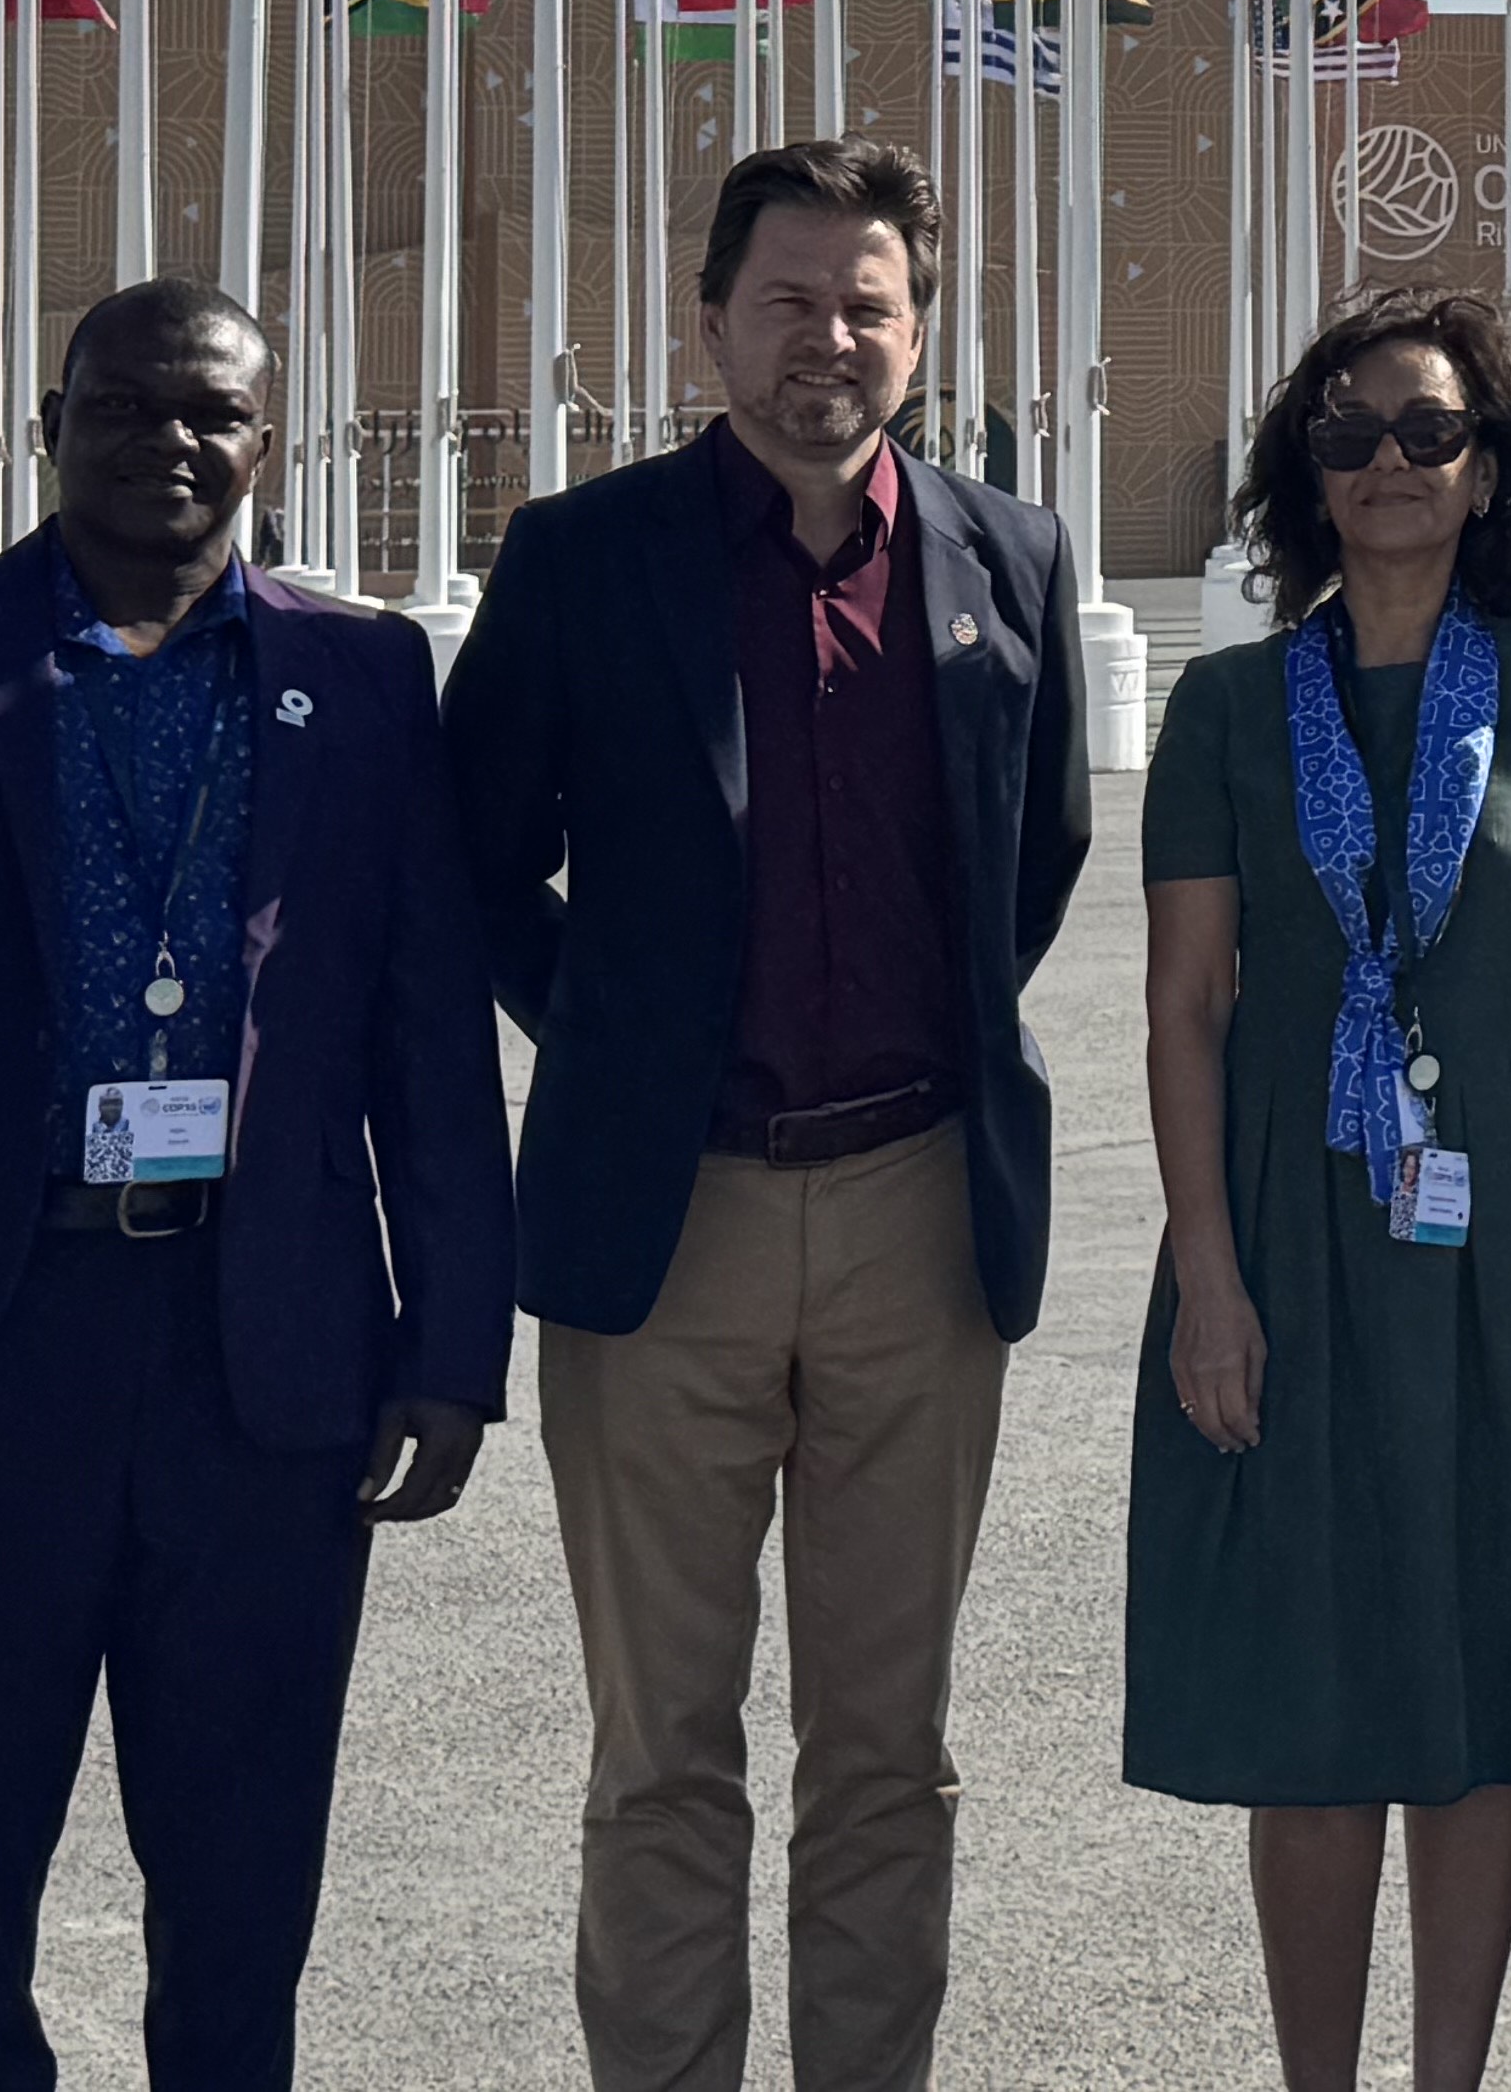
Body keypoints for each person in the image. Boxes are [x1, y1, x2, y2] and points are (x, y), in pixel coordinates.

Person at [0, 276, 515, 2088]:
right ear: (50, 421)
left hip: (270, 1358)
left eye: (215, 415)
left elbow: (425, 1029)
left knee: (245, 1869)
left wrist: (451, 1342)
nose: (170, 442)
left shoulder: (362, 671)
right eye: (126, 404)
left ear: (269, 442)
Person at [445, 138, 1091, 2092]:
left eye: (867, 303)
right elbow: (472, 861)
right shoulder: (585, 561)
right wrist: (620, 1027)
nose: (830, 338)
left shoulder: (1012, 559)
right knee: (665, 1757)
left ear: (921, 324)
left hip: (919, 1211)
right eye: (790, 301)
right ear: (710, 314)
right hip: (672, 1224)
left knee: (891, 1752)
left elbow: (1037, 849)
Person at [1130, 291, 1511, 2092]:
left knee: (1476, 1645)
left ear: (1488, 465)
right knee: (1309, 1667)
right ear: (1305, 470)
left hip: (1502, 1224)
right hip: (1285, 1215)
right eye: (1348, 433)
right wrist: (1206, 1273)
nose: (1385, 463)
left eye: (1426, 431)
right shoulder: (1220, 706)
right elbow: (1186, 1006)